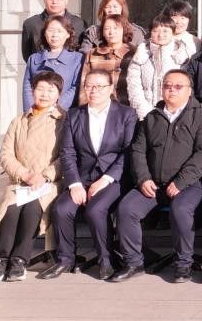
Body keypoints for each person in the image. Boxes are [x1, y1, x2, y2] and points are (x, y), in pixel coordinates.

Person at [111, 70, 202, 283]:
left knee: (180, 210)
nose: (172, 90)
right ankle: (133, 262)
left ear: (189, 91)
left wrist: (181, 181)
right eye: (168, 85)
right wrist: (143, 178)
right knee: (127, 209)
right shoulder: (152, 117)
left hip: (188, 184)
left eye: (178, 86)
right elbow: (138, 151)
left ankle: (183, 263)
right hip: (153, 183)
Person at [40, 70, 137, 281]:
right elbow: (68, 152)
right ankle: (66, 259)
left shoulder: (126, 114)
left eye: (99, 86)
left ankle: (106, 259)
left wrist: (105, 179)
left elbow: (128, 152)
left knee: (96, 209)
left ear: (110, 88)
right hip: (82, 177)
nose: (93, 90)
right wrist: (74, 183)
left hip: (113, 178)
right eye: (89, 85)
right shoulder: (74, 115)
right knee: (62, 209)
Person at [0, 71, 64, 283]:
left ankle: (19, 260)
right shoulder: (18, 121)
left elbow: (65, 156)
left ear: (58, 94)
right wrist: (24, 174)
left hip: (48, 183)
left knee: (32, 210)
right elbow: (6, 154)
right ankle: (2, 260)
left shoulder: (63, 121)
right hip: (20, 181)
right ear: (32, 91)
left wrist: (44, 176)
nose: (45, 94)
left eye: (50, 90)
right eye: (40, 89)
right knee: (10, 211)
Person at [126, 15, 193, 119]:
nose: (160, 35)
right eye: (156, 31)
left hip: (177, 114)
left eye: (165, 31)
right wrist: (146, 113)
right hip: (145, 114)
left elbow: (186, 87)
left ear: (173, 32)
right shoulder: (140, 55)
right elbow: (133, 86)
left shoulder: (182, 56)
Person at [22, 14, 83, 111]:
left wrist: (56, 107)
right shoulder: (34, 59)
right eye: (50, 30)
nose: (55, 35)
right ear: (44, 33)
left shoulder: (77, 58)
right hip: (37, 112)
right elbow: (27, 87)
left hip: (63, 112)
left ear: (68, 34)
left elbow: (76, 86)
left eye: (59, 31)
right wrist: (31, 110)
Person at [21, 0, 86, 62]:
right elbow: (27, 55)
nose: (54, 1)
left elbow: (81, 52)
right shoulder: (31, 23)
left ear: (66, 0)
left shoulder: (79, 23)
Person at [79, 14, 132, 105]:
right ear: (102, 32)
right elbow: (84, 84)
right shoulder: (93, 54)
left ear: (124, 30)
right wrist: (84, 108)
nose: (111, 32)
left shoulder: (134, 53)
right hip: (98, 105)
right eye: (107, 28)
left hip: (127, 106)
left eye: (116, 28)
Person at [78, 0, 146, 52]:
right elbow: (84, 53)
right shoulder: (94, 31)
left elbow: (143, 56)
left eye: (115, 6)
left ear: (122, 9)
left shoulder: (136, 32)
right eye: (107, 7)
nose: (111, 10)